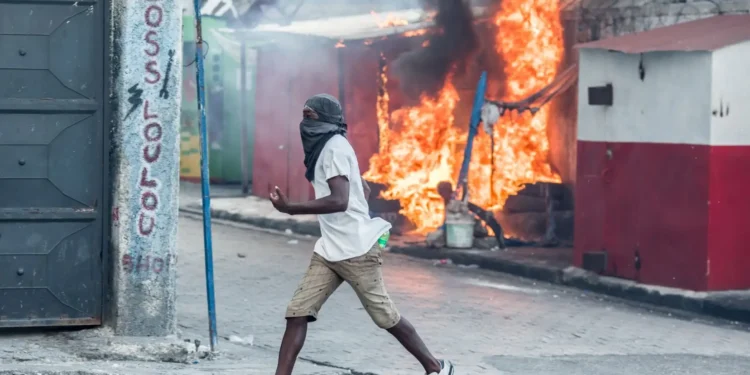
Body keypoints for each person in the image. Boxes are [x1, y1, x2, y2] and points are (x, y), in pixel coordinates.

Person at [269, 94, 455, 375]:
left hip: (357, 250)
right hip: (329, 250)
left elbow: (339, 200)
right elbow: (361, 190)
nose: (304, 122)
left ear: (327, 121)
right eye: (303, 116)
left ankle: (436, 367)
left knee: (386, 317)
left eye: (310, 116)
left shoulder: (334, 148)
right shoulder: (327, 148)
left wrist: (290, 208)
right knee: (297, 313)